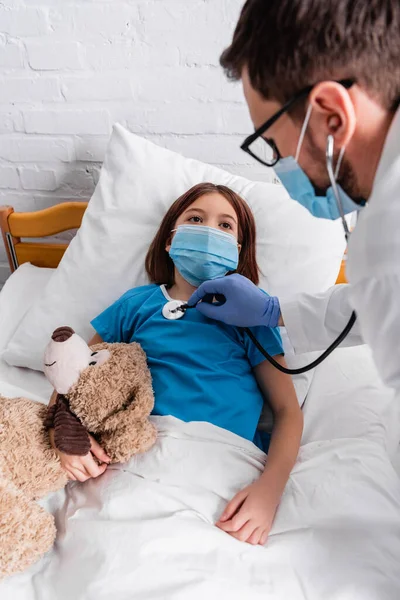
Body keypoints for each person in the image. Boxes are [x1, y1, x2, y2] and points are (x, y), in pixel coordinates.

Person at [48, 182, 303, 546]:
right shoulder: (136, 304)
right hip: (136, 453)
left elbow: (287, 411)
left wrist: (269, 489)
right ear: (170, 240)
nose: (209, 230)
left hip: (219, 461)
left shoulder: (251, 314)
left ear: (237, 250)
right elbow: (72, 376)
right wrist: (66, 436)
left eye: (225, 226)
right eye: (196, 219)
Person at [190, 0, 400, 400]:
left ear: (331, 117)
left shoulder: (388, 235)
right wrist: (274, 311)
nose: (276, 162)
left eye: (270, 142)